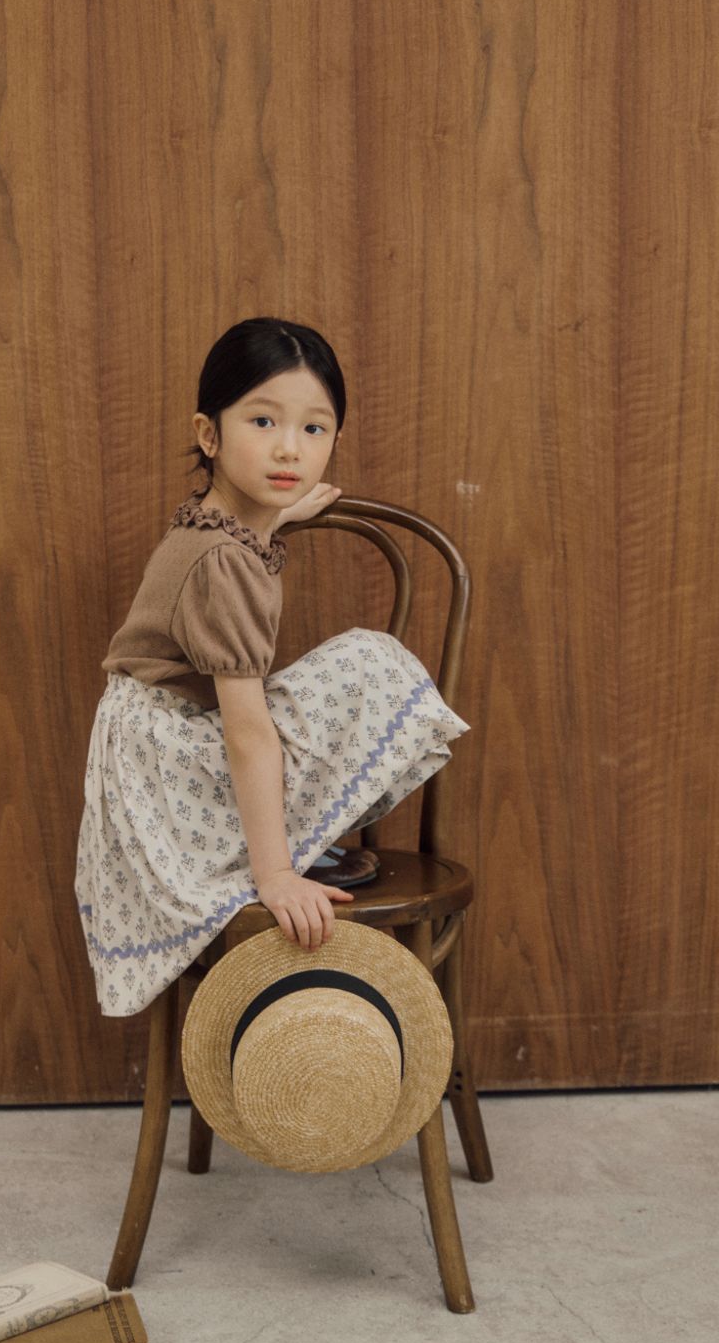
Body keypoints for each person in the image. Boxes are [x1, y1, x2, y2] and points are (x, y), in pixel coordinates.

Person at [75, 316, 470, 1018]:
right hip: (171, 769)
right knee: (370, 661)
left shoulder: (220, 527)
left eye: (314, 429)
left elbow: (233, 551)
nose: (290, 448)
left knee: (364, 663)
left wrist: (272, 519)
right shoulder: (221, 563)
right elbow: (248, 732)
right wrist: (276, 874)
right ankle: (269, 850)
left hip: (158, 749)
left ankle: (281, 840)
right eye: (263, 421)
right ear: (209, 435)